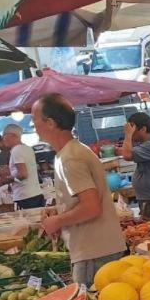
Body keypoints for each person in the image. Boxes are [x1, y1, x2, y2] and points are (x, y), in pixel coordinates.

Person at [32, 94, 126, 286]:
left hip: (95, 252)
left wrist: (57, 221)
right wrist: (59, 211)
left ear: (50, 123)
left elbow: (91, 207)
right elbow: (82, 201)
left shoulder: (70, 158)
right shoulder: (69, 153)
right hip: (96, 249)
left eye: (34, 119)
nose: (33, 125)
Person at [0, 124, 45, 209]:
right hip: (36, 194)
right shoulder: (27, 148)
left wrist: (7, 180)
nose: (3, 138)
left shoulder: (16, 150)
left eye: (4, 135)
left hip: (25, 197)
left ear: (13, 135)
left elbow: (23, 174)